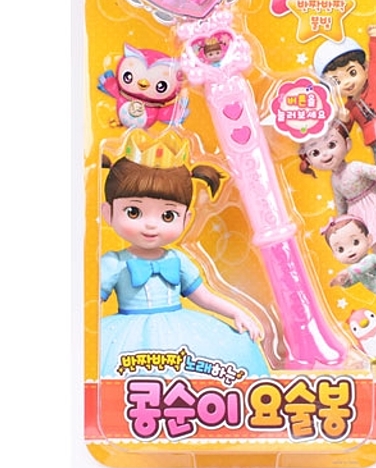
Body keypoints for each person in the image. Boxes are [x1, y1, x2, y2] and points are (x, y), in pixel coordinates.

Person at [99, 132, 269, 379]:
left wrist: (237, 313)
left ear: (186, 219)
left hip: (183, 333)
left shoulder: (177, 260)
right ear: (108, 213)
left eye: (167, 215)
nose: (151, 225)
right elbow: (89, 305)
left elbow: (204, 297)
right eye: (134, 212)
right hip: (125, 338)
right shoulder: (114, 263)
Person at [299, 120, 376, 262]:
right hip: (358, 215)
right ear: (309, 161)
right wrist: (340, 222)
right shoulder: (334, 180)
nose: (325, 155)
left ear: (347, 144)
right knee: (374, 243)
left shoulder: (355, 167)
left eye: (331, 145)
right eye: (315, 152)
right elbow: (340, 202)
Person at [313, 25, 376, 168]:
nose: (347, 82)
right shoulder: (348, 108)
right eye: (337, 81)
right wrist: (342, 121)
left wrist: (375, 38)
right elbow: (343, 131)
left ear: (365, 68)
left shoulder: (374, 83)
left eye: (352, 73)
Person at [321, 215, 376, 318]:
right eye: (341, 249)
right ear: (334, 255)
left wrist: (348, 272)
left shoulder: (372, 258)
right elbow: (352, 280)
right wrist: (343, 281)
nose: (350, 250)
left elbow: (363, 267)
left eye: (355, 242)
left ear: (369, 239)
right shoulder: (356, 272)